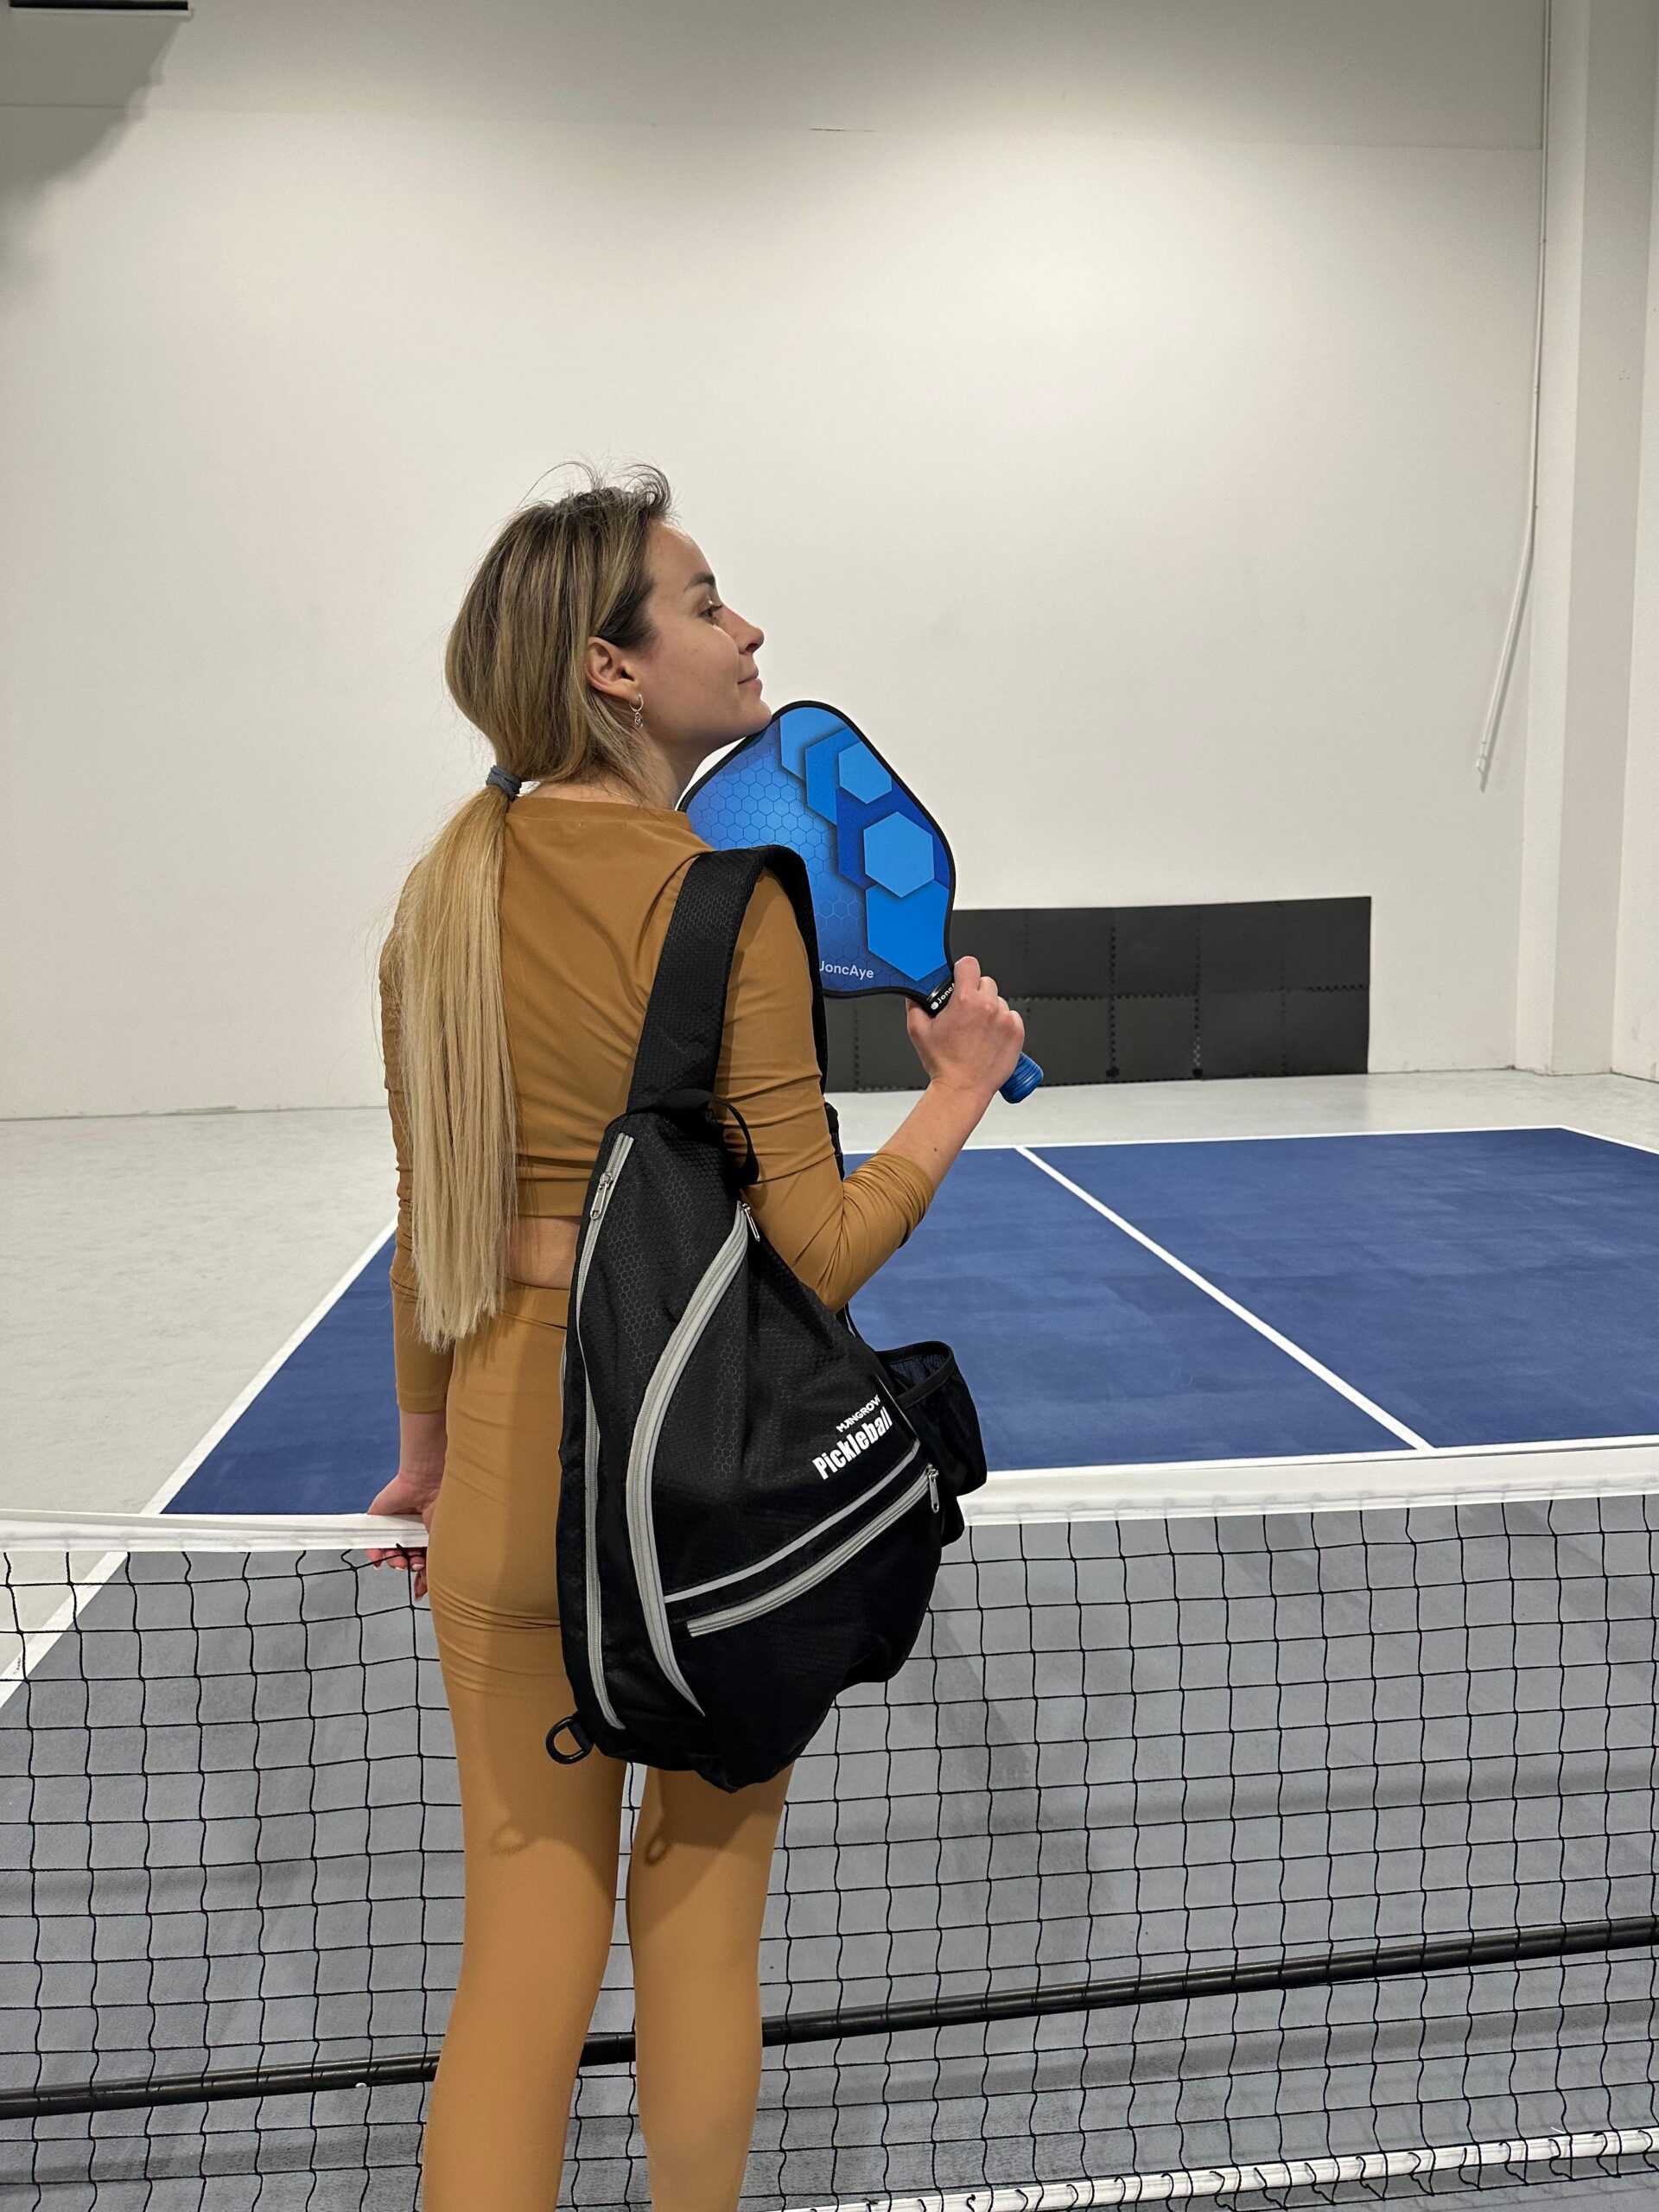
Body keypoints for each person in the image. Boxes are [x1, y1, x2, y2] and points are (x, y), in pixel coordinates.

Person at [365, 463, 1025, 2212]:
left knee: (518, 1963)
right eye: (710, 601)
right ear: (612, 666)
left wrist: (428, 1462)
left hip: (505, 1481)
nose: (750, 632)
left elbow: (430, 1221)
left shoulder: (440, 900)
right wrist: (955, 1092)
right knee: (700, 1929)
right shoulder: (726, 904)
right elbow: (816, 1247)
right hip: (700, 1494)